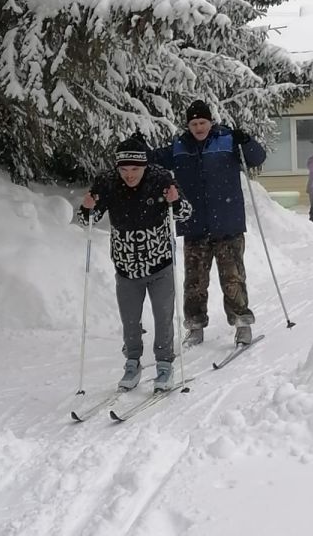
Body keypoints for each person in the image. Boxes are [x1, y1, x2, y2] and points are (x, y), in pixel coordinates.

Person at [77, 138, 192, 391]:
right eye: (124, 170)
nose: (129, 176)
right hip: (125, 266)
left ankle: (164, 365)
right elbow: (88, 218)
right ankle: (132, 362)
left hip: (160, 264)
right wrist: (87, 209)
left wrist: (175, 201)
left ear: (145, 166)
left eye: (135, 170)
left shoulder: (161, 179)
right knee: (130, 320)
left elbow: (185, 212)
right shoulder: (107, 182)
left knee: (163, 317)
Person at [150, 101, 266, 348]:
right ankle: (195, 326)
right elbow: (152, 160)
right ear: (188, 125)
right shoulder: (180, 147)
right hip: (194, 225)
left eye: (202, 122)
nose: (199, 127)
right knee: (195, 281)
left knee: (233, 278)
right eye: (194, 123)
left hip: (228, 224)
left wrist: (246, 141)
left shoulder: (227, 140)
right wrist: (139, 149)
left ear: (210, 122)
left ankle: (242, 324)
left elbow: (257, 157)